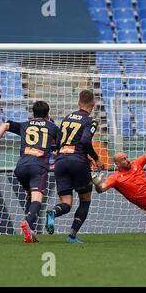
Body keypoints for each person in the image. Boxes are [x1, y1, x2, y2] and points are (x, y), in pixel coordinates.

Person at [0, 101, 59, 243]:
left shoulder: (25, 125)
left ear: (33, 113)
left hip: (21, 167)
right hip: (38, 167)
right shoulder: (53, 127)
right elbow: (57, 150)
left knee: (30, 195)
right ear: (47, 113)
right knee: (37, 198)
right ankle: (27, 223)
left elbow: (5, 124)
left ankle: (31, 231)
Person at [46, 90, 105, 243]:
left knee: (66, 202)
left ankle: (53, 212)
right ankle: (72, 235)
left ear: (78, 102)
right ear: (93, 104)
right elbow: (85, 141)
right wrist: (96, 158)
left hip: (60, 162)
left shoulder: (66, 118)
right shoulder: (90, 120)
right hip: (77, 161)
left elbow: (57, 143)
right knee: (85, 199)